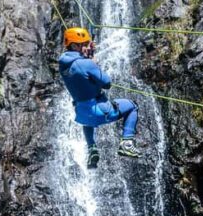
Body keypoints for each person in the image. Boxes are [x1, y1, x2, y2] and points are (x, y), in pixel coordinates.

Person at [58, 27, 141, 169]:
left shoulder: (62, 64)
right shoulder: (86, 63)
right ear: (74, 45)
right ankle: (127, 143)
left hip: (81, 113)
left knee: (88, 121)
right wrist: (93, 62)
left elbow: (81, 74)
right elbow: (107, 83)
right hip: (100, 110)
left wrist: (87, 57)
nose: (86, 46)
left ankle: (92, 149)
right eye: (83, 44)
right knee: (132, 106)